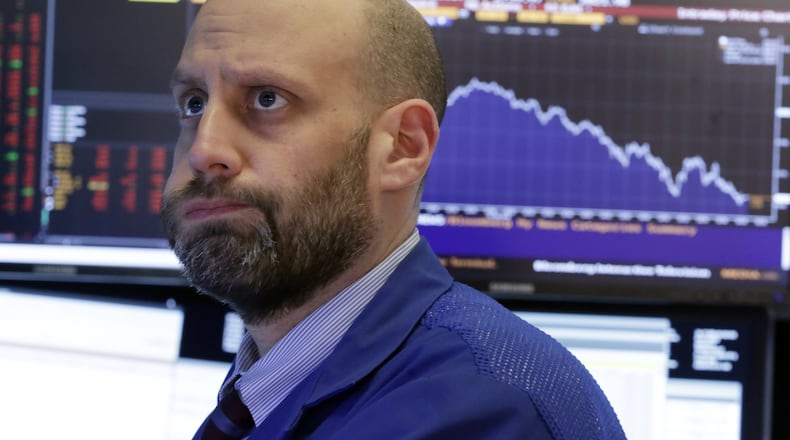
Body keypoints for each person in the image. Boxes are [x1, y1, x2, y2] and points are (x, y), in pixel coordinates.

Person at [161, 0, 627, 438]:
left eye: (266, 99)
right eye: (195, 103)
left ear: (404, 146)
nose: (204, 150)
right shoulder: (277, 380)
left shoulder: (479, 412)